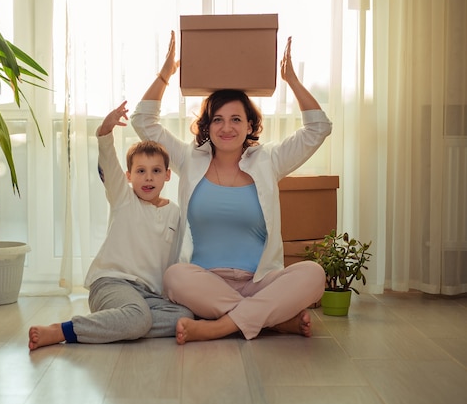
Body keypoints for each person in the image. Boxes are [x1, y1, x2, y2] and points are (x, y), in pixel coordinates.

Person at [130, 32, 331, 344]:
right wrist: (166, 73)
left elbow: (319, 128)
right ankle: (271, 321)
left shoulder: (269, 160)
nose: (227, 127)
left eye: (236, 119)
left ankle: (219, 326)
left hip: (260, 281)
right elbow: (143, 120)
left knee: (314, 275)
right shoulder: (188, 158)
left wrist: (290, 79)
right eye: (218, 120)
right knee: (174, 277)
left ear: (249, 126)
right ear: (207, 127)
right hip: (205, 282)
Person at [29, 101, 193, 350]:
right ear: (129, 176)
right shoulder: (123, 199)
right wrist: (105, 133)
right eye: (140, 171)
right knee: (138, 317)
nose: (148, 177)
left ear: (167, 175)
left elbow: (180, 258)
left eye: (156, 170)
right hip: (111, 284)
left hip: (149, 295)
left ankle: (126, 325)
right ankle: (63, 330)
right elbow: (109, 163)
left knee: (184, 318)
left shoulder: (175, 213)